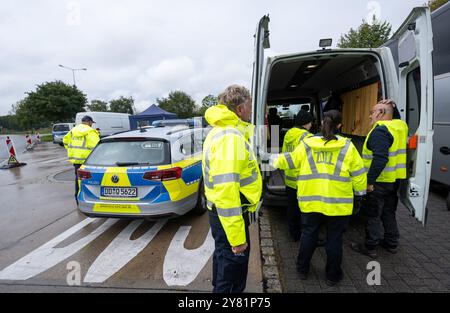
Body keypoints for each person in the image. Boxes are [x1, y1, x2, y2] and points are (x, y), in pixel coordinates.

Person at [269, 110, 367, 286]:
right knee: (334, 239)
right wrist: (359, 196)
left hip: (310, 201)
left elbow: (288, 161)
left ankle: (302, 269)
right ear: (339, 126)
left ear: (322, 123)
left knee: (309, 234)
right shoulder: (347, 147)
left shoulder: (307, 144)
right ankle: (332, 276)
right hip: (338, 203)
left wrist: (268, 160)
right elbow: (359, 175)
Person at [202, 85, 262, 293]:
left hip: (220, 214)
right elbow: (227, 191)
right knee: (232, 273)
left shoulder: (220, 131)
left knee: (223, 260)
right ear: (239, 109)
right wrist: (237, 238)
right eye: (249, 106)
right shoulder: (230, 137)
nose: (251, 110)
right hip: (230, 216)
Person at [351, 99, 408, 258]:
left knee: (373, 215)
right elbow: (395, 117)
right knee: (389, 212)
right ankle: (391, 243)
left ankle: (370, 246)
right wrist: (394, 107)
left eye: (372, 112)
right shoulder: (399, 127)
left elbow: (380, 158)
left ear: (381, 113)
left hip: (379, 183)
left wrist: (369, 181)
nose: (370, 116)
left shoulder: (380, 131)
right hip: (394, 181)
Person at [282, 110, 313, 241]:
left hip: (289, 177)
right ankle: (305, 236)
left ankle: (293, 234)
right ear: (307, 122)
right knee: (305, 211)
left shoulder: (288, 133)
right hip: (302, 180)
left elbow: (284, 153)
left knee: (292, 208)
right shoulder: (307, 137)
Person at [63, 115, 100, 205]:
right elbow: (96, 146)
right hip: (88, 161)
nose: (92, 125)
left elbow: (65, 141)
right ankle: (90, 199)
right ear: (89, 122)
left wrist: (73, 151)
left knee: (78, 180)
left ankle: (78, 198)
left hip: (76, 161)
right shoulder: (90, 131)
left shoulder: (73, 130)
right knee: (91, 181)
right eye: (91, 123)